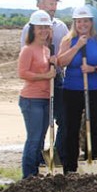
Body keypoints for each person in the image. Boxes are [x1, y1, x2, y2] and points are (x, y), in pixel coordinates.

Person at [54, 6, 97, 173]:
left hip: (95, 88)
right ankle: (70, 165)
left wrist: (93, 69)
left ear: (91, 22)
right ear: (75, 23)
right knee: (72, 127)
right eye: (79, 21)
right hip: (72, 89)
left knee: (94, 126)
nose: (82, 24)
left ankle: (91, 160)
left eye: (86, 21)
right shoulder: (67, 40)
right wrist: (78, 45)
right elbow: (61, 62)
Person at [20, 0, 68, 166]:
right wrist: (45, 73)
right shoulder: (29, 30)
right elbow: (26, 63)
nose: (53, 7)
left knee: (64, 120)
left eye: (55, 4)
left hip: (57, 80)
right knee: (37, 132)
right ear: (39, 3)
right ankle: (34, 165)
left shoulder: (61, 27)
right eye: (50, 3)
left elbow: (62, 54)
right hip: (38, 87)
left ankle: (56, 156)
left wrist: (57, 62)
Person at [17, 11, 57, 179]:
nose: (44, 31)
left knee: (40, 138)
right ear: (33, 29)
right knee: (33, 139)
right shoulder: (28, 50)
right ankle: (28, 176)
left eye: (46, 27)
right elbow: (22, 73)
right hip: (31, 100)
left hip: (45, 99)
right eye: (40, 27)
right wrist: (45, 76)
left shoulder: (46, 50)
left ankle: (36, 172)